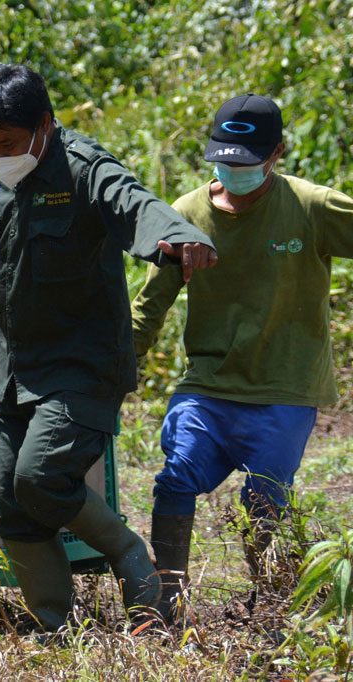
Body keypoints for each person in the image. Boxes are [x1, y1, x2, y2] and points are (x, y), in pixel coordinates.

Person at [0, 63, 218, 634]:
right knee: (13, 511)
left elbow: (133, 202)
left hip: (81, 368)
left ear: (45, 124)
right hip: (14, 371)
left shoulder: (82, 168)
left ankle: (128, 552)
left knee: (41, 479)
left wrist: (178, 236)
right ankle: (54, 631)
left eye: (7, 142)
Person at [132, 94, 353, 623]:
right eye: (224, 161)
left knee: (265, 501)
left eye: (246, 163)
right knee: (174, 479)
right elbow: (149, 305)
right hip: (207, 385)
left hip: (285, 387)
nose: (234, 173)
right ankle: (168, 602)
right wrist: (118, 366)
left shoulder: (311, 207)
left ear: (276, 153)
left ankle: (272, 609)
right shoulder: (185, 216)